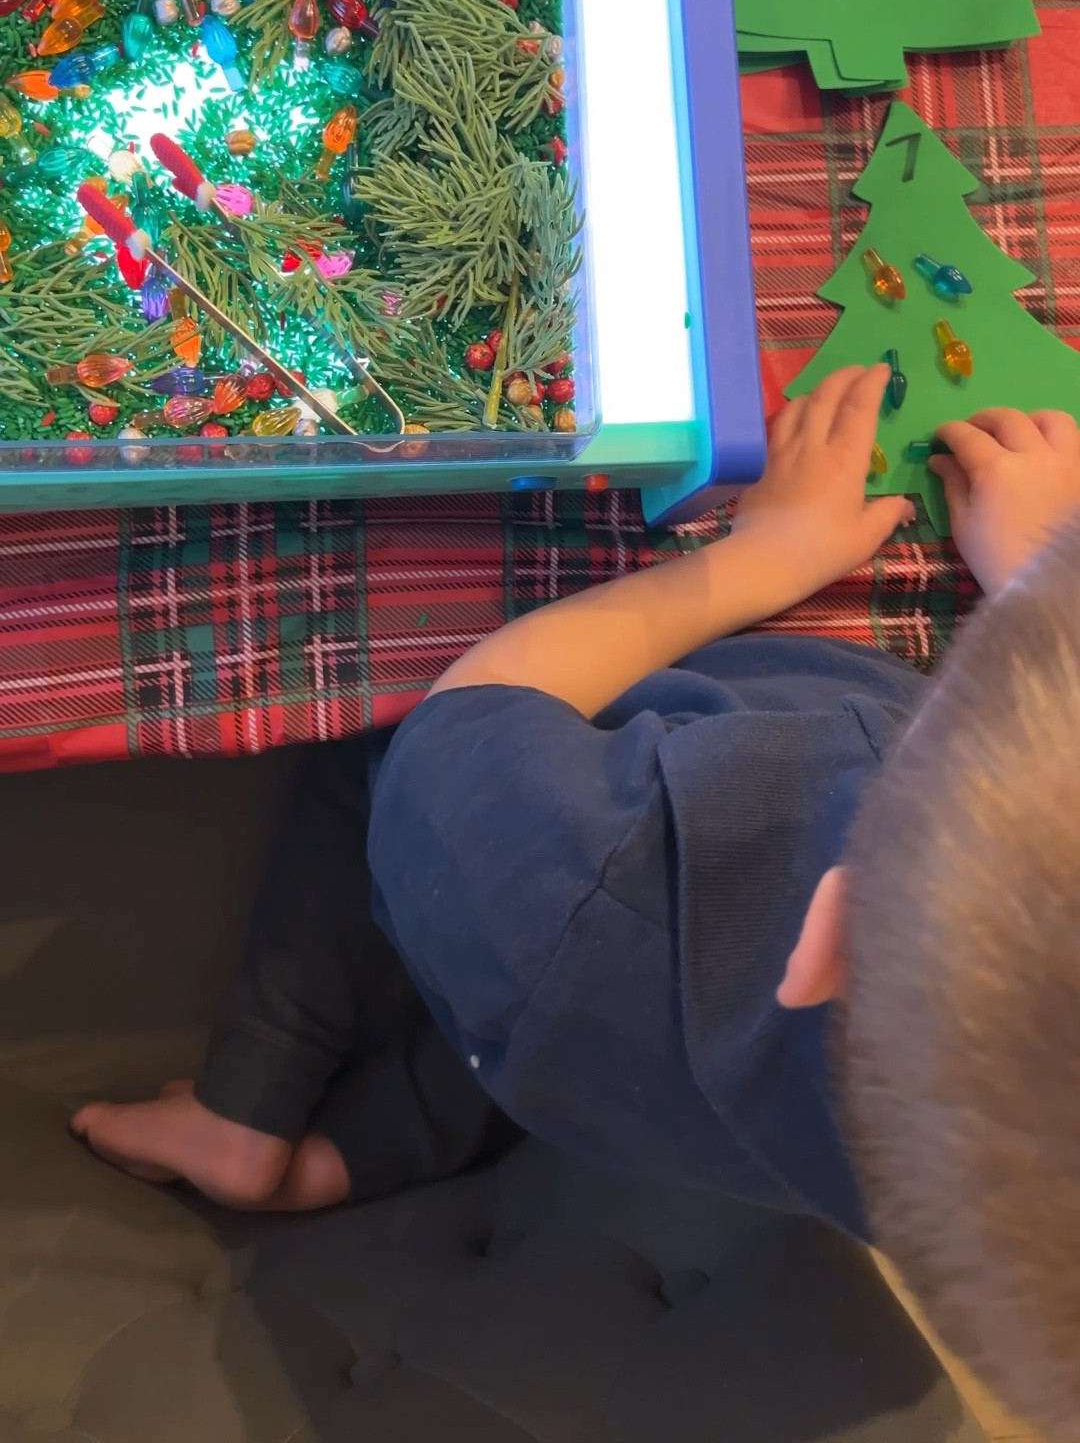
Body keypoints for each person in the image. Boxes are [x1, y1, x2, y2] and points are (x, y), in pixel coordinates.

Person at [71, 364, 1080, 1439]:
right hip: (712, 1104)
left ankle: (247, 1108)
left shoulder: (597, 870)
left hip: (558, 905)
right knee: (582, 1053)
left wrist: (762, 561)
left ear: (841, 926)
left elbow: (475, 714)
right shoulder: (989, 1182)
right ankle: (356, 1151)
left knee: (390, 763)